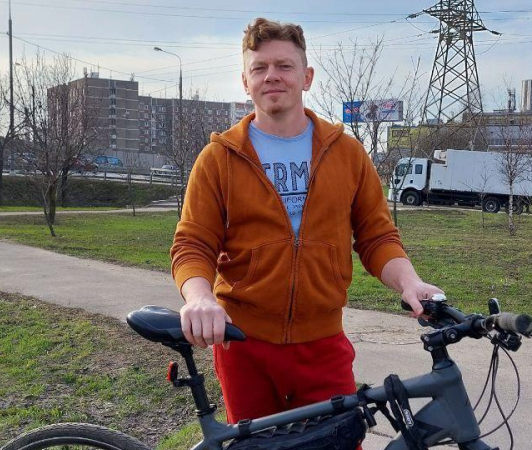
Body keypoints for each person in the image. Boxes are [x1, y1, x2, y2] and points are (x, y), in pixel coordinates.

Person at [170, 17, 444, 425]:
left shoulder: (347, 154)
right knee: (259, 448)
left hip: (323, 343)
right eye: (259, 68)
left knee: (338, 440)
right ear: (245, 82)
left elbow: (376, 236)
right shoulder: (219, 158)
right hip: (244, 345)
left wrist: (410, 282)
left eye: (284, 65)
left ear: (307, 76)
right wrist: (199, 297)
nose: (271, 76)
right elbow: (193, 244)